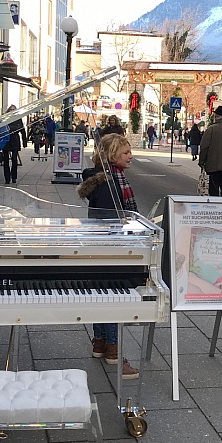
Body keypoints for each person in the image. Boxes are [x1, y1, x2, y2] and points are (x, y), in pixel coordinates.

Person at [76, 133, 140, 379]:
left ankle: (100, 343)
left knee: (101, 293)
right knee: (113, 295)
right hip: (112, 245)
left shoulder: (106, 179)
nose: (130, 156)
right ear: (112, 156)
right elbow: (113, 220)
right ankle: (115, 351)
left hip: (100, 245)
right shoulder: (110, 184)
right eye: (125, 153)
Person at [1, 105, 27, 184]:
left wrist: (24, 142)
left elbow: (22, 130)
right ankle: (7, 178)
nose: (12, 111)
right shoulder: (5, 119)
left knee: (14, 159)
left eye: (13, 109)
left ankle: (14, 176)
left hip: (15, 140)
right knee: (5, 160)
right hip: (6, 140)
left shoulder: (18, 119)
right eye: (10, 109)